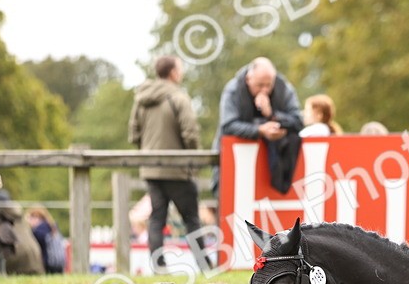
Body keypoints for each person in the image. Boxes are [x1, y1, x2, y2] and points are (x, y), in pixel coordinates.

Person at [129, 54, 202, 260]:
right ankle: (205, 265)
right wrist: (193, 160)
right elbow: (190, 133)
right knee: (191, 219)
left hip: (151, 169)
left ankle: (158, 267)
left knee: (156, 219)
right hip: (177, 169)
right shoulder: (178, 97)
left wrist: (148, 152)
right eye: (180, 69)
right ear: (173, 72)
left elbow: (133, 134)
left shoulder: (141, 100)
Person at [212, 57, 303, 193]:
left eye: (269, 85)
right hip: (235, 165)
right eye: (260, 85)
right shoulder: (233, 90)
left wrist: (273, 115)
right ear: (249, 79)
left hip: (274, 169)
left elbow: (298, 122)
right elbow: (228, 125)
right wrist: (260, 131)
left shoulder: (283, 88)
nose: (264, 90)